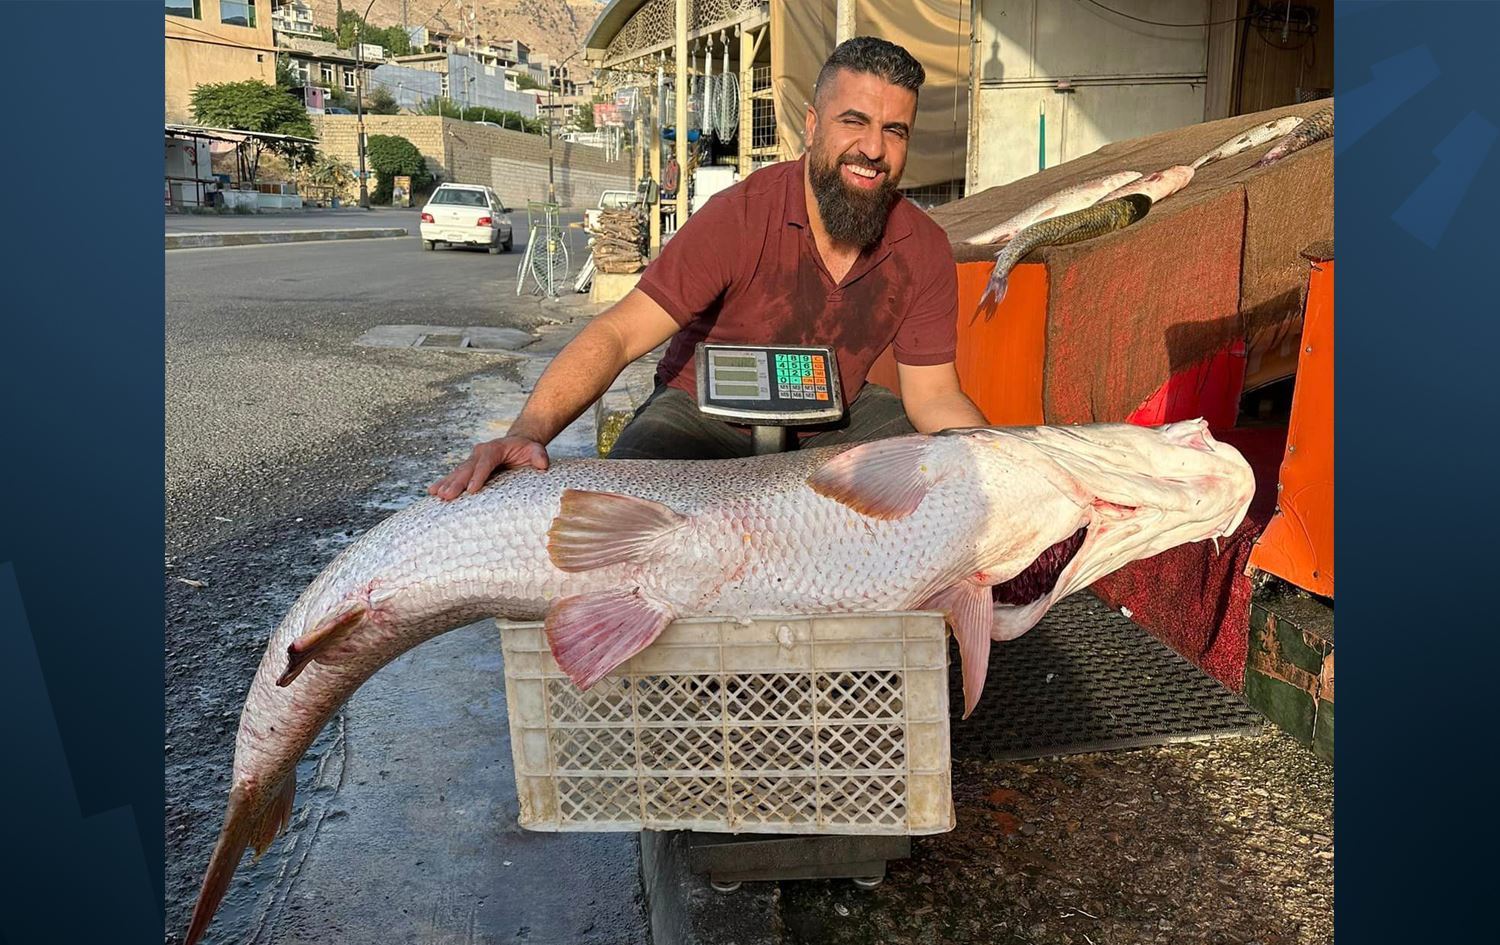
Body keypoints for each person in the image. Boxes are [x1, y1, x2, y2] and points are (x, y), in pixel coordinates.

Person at [430, 37, 986, 501]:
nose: (873, 148)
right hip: (701, 412)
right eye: (855, 121)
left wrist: (1007, 472)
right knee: (620, 516)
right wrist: (528, 433)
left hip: (835, 416)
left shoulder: (924, 247)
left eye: (895, 130)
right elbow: (620, 335)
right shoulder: (739, 218)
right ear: (813, 125)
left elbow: (934, 396)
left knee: (935, 479)